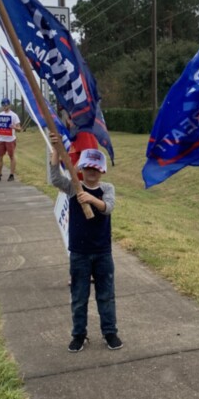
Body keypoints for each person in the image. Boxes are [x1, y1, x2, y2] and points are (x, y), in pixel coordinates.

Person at [49, 138, 122, 353]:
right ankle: (79, 335)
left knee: (106, 295)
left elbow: (107, 208)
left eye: (96, 168)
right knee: (79, 297)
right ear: (81, 168)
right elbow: (54, 178)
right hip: (79, 253)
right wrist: (55, 151)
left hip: (102, 253)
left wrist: (90, 199)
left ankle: (110, 332)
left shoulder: (107, 188)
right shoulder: (73, 187)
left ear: (102, 171)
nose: (92, 172)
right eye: (88, 167)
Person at [0, 98, 21, 181]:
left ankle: (11, 175)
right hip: (2, 139)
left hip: (10, 139)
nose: (4, 106)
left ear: (9, 105)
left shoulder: (14, 115)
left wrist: (14, 127)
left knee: (11, 156)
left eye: (6, 105)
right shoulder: (0, 114)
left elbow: (19, 129)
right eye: (3, 105)